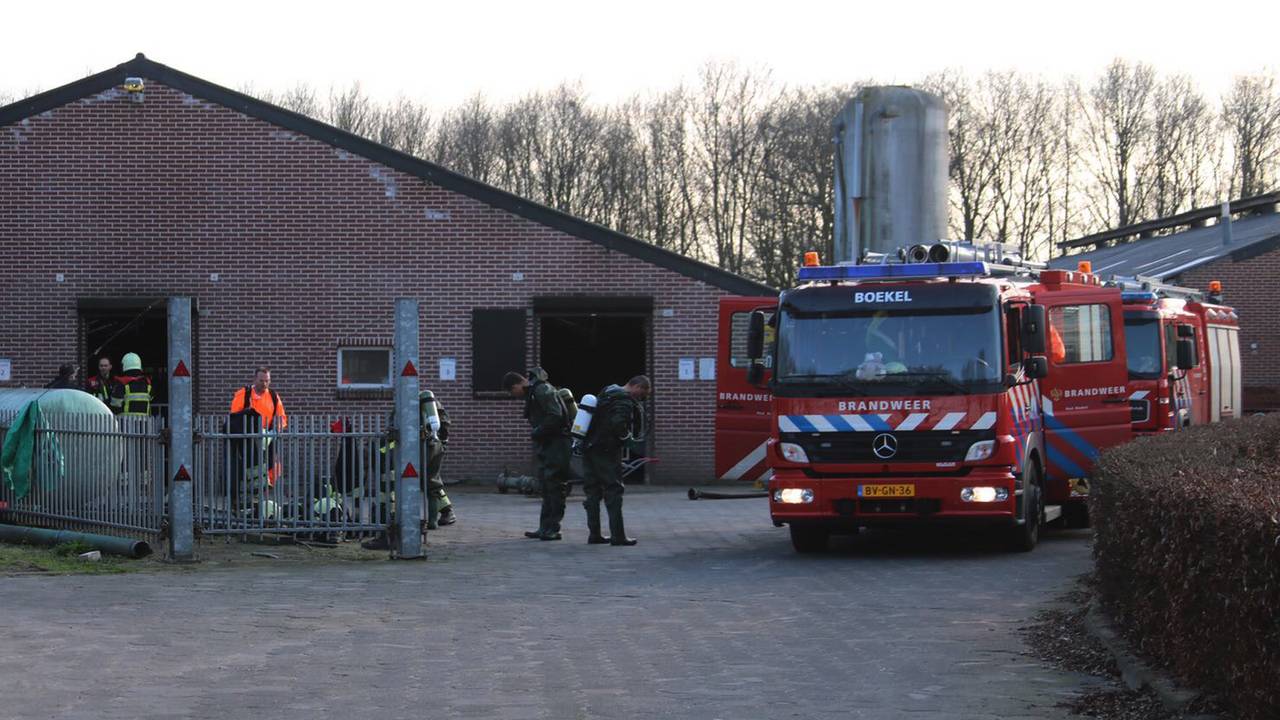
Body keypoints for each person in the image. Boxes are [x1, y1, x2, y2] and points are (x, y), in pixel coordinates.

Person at [581, 375, 650, 546]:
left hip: (589, 446)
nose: (640, 398)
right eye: (642, 394)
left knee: (592, 491)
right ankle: (618, 536)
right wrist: (627, 438)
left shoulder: (607, 391)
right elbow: (618, 423)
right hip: (606, 450)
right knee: (613, 490)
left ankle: (594, 534)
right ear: (638, 387)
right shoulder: (624, 400)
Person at [504, 369, 571, 541]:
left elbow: (555, 415)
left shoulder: (542, 390)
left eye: (513, 392)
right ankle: (544, 527)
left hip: (557, 443)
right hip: (547, 443)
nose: (515, 396)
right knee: (546, 486)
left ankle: (553, 528)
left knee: (555, 485)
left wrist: (538, 431)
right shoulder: (534, 392)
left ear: (517, 385)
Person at [229, 367, 287, 512]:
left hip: (266, 439)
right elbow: (234, 417)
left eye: (267, 380)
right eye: (261, 380)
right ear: (255, 379)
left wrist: (273, 432)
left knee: (269, 469)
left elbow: (281, 418)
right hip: (245, 440)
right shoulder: (244, 394)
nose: (264, 384)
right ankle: (240, 503)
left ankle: (262, 501)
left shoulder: (273, 396)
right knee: (243, 471)